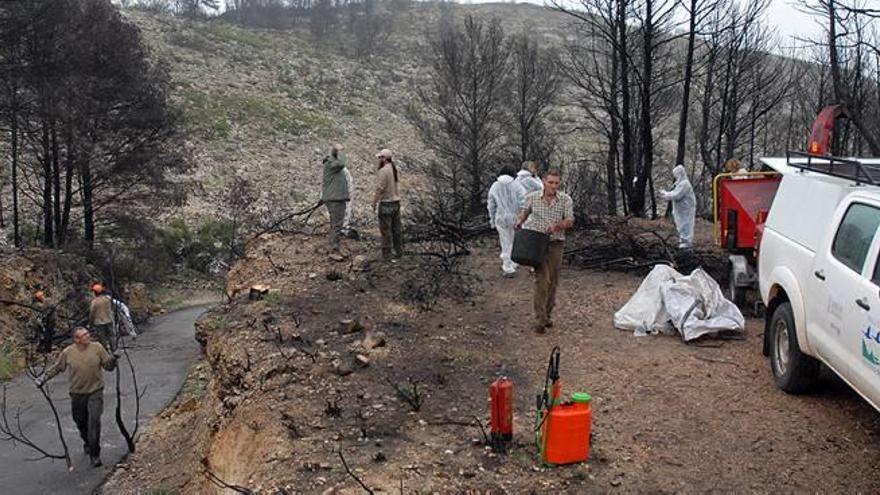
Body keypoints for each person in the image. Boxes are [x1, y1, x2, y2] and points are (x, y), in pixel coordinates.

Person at [35, 327, 117, 467]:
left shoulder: (97, 347)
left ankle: (95, 454)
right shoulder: (68, 352)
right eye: (84, 335)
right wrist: (42, 378)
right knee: (80, 421)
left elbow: (108, 366)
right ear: (76, 339)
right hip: (77, 394)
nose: (88, 336)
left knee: (94, 423)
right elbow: (57, 368)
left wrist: (114, 358)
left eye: (87, 333)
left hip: (95, 391)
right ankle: (87, 441)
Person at [515, 170, 575, 334]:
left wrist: (557, 226)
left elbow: (570, 221)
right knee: (542, 280)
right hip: (536, 242)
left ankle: (547, 314)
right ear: (543, 181)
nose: (553, 186)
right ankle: (539, 319)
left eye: (556, 183)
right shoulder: (533, 197)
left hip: (555, 243)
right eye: (550, 182)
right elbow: (524, 212)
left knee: (553, 281)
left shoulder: (565, 199)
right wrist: (520, 221)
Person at [488, 165, 527, 277]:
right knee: (513, 241)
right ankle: (511, 264)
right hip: (514, 217)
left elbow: (491, 204)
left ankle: (508, 265)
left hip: (500, 217)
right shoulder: (516, 185)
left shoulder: (494, 186)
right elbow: (524, 201)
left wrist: (492, 219)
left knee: (505, 241)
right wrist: (522, 216)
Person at [372, 148, 403, 261]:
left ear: (384, 159)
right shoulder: (393, 169)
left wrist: (374, 202)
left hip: (386, 204)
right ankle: (399, 252)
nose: (378, 160)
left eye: (380, 157)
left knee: (386, 231)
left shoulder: (383, 171)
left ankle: (387, 256)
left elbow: (380, 189)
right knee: (397, 229)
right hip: (396, 203)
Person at [320, 143, 351, 251]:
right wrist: (340, 151)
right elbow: (342, 163)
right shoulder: (331, 164)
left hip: (334, 198)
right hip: (335, 199)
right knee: (337, 224)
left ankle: (332, 245)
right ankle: (333, 247)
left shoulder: (332, 164)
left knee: (335, 223)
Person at [660, 164, 697, 249]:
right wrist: (665, 193)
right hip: (681, 210)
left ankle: (686, 244)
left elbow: (677, 195)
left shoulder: (685, 184)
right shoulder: (680, 184)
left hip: (686, 210)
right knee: (681, 226)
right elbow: (674, 193)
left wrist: (665, 194)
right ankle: (683, 242)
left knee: (686, 226)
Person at [88, 284, 115, 351]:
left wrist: (90, 323)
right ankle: (114, 349)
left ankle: (105, 351)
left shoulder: (94, 302)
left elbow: (92, 314)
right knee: (111, 336)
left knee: (102, 338)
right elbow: (112, 307)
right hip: (109, 320)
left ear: (95, 292)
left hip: (99, 323)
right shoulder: (108, 299)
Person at [342, 166, 354, 237]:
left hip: (346, 192)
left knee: (346, 209)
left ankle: (344, 227)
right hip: (341, 193)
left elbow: (347, 184)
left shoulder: (343, 171)